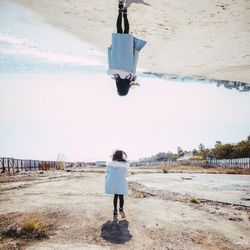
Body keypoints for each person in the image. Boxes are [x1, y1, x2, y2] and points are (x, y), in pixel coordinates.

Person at [108, 1, 147, 96]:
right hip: (117, 50)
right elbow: (109, 60)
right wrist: (110, 49)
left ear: (126, 88)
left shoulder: (131, 75)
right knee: (118, 30)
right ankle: (120, 9)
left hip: (127, 52)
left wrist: (135, 50)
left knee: (126, 31)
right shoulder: (113, 73)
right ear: (118, 87)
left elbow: (135, 62)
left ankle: (124, 12)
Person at [105, 150, 129, 220]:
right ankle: (121, 209)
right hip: (121, 182)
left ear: (114, 155)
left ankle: (115, 211)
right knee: (121, 196)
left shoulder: (110, 164)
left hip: (113, 182)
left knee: (115, 196)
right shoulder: (124, 165)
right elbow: (125, 173)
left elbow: (107, 172)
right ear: (121, 155)